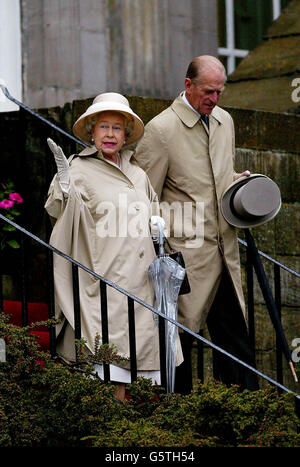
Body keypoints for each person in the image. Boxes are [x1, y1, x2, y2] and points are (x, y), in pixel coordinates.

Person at [45, 92, 182, 401]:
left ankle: (131, 433)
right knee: (111, 371)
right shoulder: (79, 169)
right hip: (105, 279)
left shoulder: (138, 174)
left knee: (142, 374)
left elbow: (152, 212)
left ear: (125, 136)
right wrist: (64, 187)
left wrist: (160, 226)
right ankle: (114, 434)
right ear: (92, 132)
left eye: (117, 128)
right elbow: (60, 210)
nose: (109, 134)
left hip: (142, 283)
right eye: (103, 126)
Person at [135, 55, 259, 394]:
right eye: (208, 91)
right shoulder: (161, 130)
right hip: (185, 259)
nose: (214, 99)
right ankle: (179, 422)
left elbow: (215, 180)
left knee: (237, 346)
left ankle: (245, 423)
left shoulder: (225, 122)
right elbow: (143, 197)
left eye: (220, 92)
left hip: (226, 253)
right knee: (180, 346)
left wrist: (239, 184)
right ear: (188, 85)